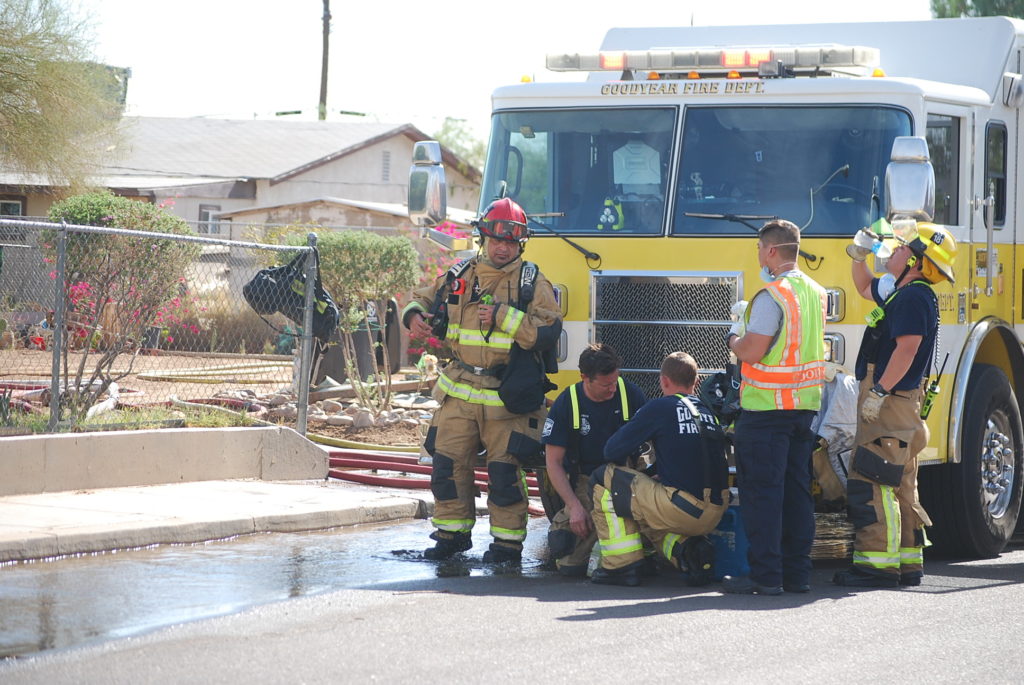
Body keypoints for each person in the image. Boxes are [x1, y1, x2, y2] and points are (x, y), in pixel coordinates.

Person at [402, 197, 562, 564]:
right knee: (447, 465)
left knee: (504, 473)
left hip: (506, 396)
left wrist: (504, 316)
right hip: (459, 389)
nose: (503, 248)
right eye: (496, 240)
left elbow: (548, 330)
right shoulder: (461, 274)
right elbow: (422, 298)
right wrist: (413, 316)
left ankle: (507, 546)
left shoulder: (532, 282)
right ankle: (451, 536)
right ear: (483, 239)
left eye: (511, 242)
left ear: (520, 244)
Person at [833, 221, 956, 588]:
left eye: (903, 247)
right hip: (900, 402)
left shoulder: (913, 297)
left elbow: (907, 349)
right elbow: (864, 286)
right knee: (900, 483)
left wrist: (879, 391)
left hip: (890, 401)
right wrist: (859, 254)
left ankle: (876, 567)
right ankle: (906, 563)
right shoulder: (904, 291)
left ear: (915, 261)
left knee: (873, 479)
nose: (895, 249)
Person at [723, 219, 827, 595]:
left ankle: (766, 576)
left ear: (770, 251)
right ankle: (797, 575)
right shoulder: (816, 293)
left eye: (758, 250)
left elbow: (752, 350)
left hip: (767, 411)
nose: (758, 257)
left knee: (763, 496)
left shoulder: (772, 296)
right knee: (797, 494)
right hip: (804, 408)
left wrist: (733, 336)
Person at [588, 351, 730, 587]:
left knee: (605, 479)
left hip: (683, 509)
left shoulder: (660, 408)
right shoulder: (707, 411)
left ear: (664, 380)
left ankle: (621, 566)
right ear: (696, 382)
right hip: (715, 512)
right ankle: (687, 552)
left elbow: (611, 451)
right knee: (642, 501)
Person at [541, 343, 647, 577]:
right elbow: (553, 462)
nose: (612, 389)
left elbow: (656, 442)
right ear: (584, 378)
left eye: (615, 381)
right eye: (606, 385)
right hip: (586, 481)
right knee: (569, 565)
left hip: (627, 476)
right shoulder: (567, 403)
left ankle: (642, 554)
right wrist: (574, 507)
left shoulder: (630, 394)